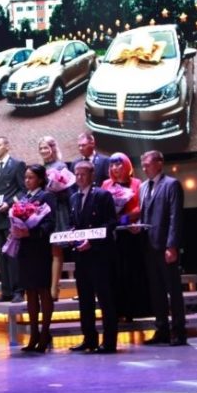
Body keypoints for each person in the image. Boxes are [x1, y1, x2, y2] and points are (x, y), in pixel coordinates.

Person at [68, 160, 119, 355]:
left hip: (100, 255)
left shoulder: (102, 195)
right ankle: (89, 338)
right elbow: (74, 223)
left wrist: (92, 241)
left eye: (83, 174)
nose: (79, 177)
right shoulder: (74, 197)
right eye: (77, 174)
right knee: (85, 299)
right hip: (81, 256)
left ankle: (109, 342)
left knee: (106, 299)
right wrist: (72, 235)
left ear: (92, 175)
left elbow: (110, 223)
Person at [139, 150, 188, 346]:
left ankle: (179, 331)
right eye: (143, 165)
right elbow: (145, 215)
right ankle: (162, 330)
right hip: (149, 246)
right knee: (156, 291)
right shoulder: (143, 187)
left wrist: (172, 245)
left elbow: (175, 217)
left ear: (159, 163)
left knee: (173, 291)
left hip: (165, 245)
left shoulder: (171, 184)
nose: (144, 168)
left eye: (148, 164)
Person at [101, 152, 150, 321]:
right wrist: (113, 219)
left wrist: (123, 219)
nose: (115, 168)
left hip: (131, 235)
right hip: (112, 238)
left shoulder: (137, 183)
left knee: (132, 272)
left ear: (127, 165)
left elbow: (141, 208)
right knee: (115, 274)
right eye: (112, 165)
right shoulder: (106, 184)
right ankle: (117, 311)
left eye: (118, 164)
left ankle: (134, 311)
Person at [13, 164, 57, 353]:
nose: (27, 180)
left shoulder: (46, 196)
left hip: (40, 248)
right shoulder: (24, 198)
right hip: (25, 250)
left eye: (31, 177)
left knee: (43, 290)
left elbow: (49, 224)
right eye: (25, 177)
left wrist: (30, 233)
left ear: (40, 179)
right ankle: (34, 334)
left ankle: (45, 333)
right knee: (30, 291)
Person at [0, 136, 26, 303]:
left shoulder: (17, 165)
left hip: (11, 217)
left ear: (7, 146)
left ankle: (18, 291)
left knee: (14, 255)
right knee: (2, 257)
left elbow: (23, 191)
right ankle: (6, 291)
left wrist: (9, 204)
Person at [38, 135, 72, 300]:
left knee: (57, 250)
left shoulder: (61, 166)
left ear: (53, 148)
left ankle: (54, 289)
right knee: (48, 251)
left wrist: (56, 188)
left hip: (59, 211)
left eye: (46, 147)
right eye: (41, 148)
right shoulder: (41, 168)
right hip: (44, 211)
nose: (43, 151)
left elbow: (67, 191)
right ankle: (49, 288)